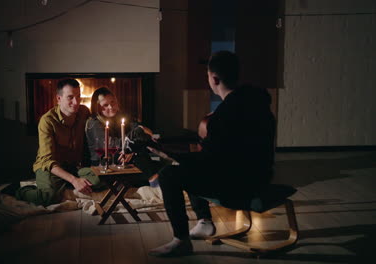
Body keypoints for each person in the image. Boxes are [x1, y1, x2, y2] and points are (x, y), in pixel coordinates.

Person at [148, 51, 276, 257]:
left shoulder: (224, 115)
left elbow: (209, 161)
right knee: (188, 166)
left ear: (214, 79)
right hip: (261, 178)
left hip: (240, 187)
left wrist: (170, 155)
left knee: (169, 174)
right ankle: (204, 221)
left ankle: (181, 240)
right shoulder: (259, 105)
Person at [1, 78, 94, 206]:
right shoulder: (47, 121)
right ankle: (20, 190)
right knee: (48, 197)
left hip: (73, 166)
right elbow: (47, 161)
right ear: (59, 99)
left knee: (98, 180)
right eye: (70, 97)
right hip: (51, 167)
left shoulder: (84, 112)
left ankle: (62, 186)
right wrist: (74, 180)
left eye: (78, 96)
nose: (76, 102)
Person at [85, 87, 164, 186]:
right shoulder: (93, 123)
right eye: (105, 105)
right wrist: (137, 133)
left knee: (144, 149)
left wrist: (132, 149)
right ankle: (155, 182)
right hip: (104, 161)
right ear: (97, 107)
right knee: (139, 156)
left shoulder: (120, 117)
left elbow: (143, 133)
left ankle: (158, 179)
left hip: (123, 156)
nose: (111, 106)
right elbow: (110, 144)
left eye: (113, 102)